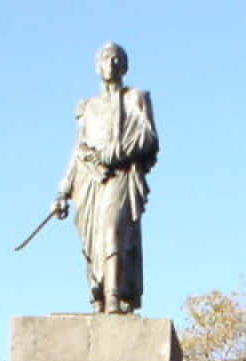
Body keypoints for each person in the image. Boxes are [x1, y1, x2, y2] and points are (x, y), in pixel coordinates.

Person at [52, 42, 158, 314]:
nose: (110, 64)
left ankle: (114, 296)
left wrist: (118, 152)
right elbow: (77, 151)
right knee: (93, 242)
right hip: (89, 180)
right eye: (104, 59)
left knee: (113, 231)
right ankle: (97, 297)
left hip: (121, 175)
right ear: (96, 66)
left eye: (115, 59)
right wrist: (63, 192)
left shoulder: (136, 97)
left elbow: (148, 136)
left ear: (124, 66)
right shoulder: (87, 107)